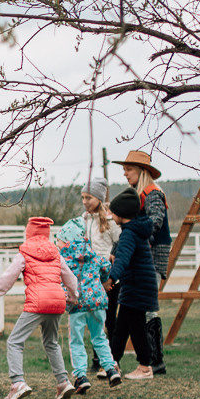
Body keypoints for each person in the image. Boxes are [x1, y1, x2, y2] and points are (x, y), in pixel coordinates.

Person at [0, 216, 82, 399]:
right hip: (57, 302)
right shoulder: (56, 252)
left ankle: (17, 383)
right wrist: (73, 297)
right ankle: (63, 382)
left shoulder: (24, 252)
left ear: (28, 233)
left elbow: (8, 278)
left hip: (37, 302)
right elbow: (70, 278)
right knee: (51, 343)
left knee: (15, 341)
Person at [121, 151, 170, 374]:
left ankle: (154, 361)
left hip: (152, 259)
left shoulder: (152, 195)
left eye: (129, 169)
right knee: (140, 308)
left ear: (142, 171)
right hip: (143, 259)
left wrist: (136, 243)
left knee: (148, 308)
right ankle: (151, 361)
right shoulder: (139, 195)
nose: (125, 173)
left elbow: (155, 223)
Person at [103, 189, 162, 378]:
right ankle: (112, 364)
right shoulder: (135, 230)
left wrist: (110, 279)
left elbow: (122, 259)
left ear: (121, 214)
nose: (111, 216)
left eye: (113, 213)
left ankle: (145, 367)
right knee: (122, 326)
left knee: (135, 327)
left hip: (137, 287)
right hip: (136, 286)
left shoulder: (129, 234)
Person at [53, 220, 117, 391]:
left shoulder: (64, 259)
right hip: (97, 303)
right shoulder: (92, 255)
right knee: (99, 337)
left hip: (77, 306)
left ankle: (81, 376)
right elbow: (106, 266)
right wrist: (103, 281)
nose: (56, 243)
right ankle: (111, 369)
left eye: (58, 240)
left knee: (76, 340)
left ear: (67, 241)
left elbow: (59, 279)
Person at [73, 179, 120, 376]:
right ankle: (96, 358)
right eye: (83, 197)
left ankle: (111, 360)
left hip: (108, 278)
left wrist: (112, 276)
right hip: (88, 280)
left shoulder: (110, 222)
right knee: (91, 319)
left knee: (108, 320)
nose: (85, 201)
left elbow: (119, 244)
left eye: (89, 197)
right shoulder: (81, 221)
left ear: (99, 198)